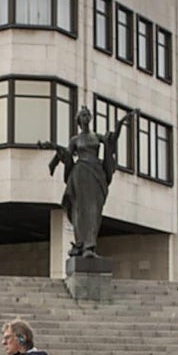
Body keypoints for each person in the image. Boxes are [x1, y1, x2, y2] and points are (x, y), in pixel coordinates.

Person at [39, 105, 133, 258]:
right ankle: (84, 246)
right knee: (81, 210)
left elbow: (112, 140)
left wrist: (121, 123)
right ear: (79, 120)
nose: (86, 118)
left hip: (96, 174)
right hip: (80, 174)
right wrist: (55, 149)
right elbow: (68, 156)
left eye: (88, 115)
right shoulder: (75, 140)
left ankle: (90, 246)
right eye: (83, 115)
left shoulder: (97, 136)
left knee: (94, 211)